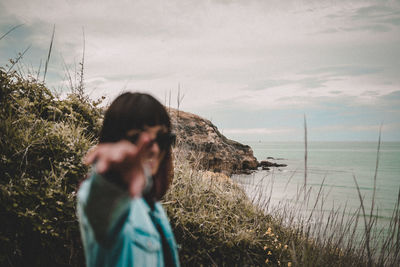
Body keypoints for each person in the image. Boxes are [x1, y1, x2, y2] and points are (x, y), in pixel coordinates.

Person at [77, 92, 180, 267]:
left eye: (161, 139)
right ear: (115, 140)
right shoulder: (100, 192)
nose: (154, 149)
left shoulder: (152, 206)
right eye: (137, 138)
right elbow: (102, 211)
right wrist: (113, 178)